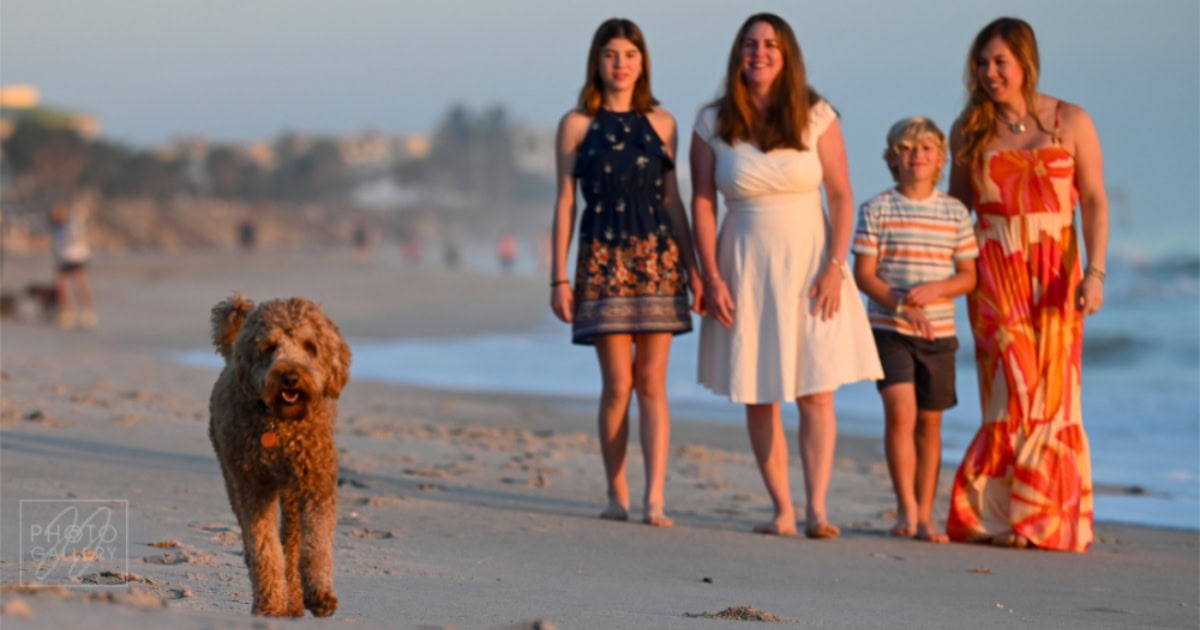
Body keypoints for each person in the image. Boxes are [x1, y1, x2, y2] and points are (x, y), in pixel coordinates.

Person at [691, 13, 882, 538]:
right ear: (738, 53)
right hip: (743, 262)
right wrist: (710, 276)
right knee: (759, 389)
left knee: (817, 387)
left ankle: (818, 508)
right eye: (750, 44)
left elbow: (841, 195)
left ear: (788, 53)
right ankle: (782, 509)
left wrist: (836, 267)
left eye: (771, 44)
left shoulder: (817, 115)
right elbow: (703, 202)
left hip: (813, 263)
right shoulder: (711, 121)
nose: (760, 52)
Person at [946, 17, 1109, 552]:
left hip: (1057, 275)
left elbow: (1095, 200)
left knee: (1056, 396)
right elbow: (956, 212)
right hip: (995, 275)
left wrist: (1096, 272)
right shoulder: (969, 130)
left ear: (1025, 62)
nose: (990, 73)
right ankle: (1001, 516)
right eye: (982, 63)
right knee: (1010, 394)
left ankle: (1040, 518)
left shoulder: (1072, 121)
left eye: (1000, 62)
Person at [549, 17, 701, 527]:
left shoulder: (662, 123)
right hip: (602, 259)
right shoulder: (576, 124)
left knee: (652, 384)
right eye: (611, 54)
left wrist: (695, 268)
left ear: (643, 62)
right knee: (618, 384)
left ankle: (654, 498)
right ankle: (617, 494)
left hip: (657, 259)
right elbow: (566, 202)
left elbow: (672, 200)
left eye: (629, 55)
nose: (620, 64)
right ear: (597, 60)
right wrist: (558, 277)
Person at [852, 117, 978, 543]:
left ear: (940, 158)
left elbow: (968, 276)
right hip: (890, 329)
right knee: (900, 414)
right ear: (892, 158)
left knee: (930, 423)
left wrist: (938, 289)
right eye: (906, 149)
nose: (916, 155)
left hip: (938, 335)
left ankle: (926, 516)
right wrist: (903, 303)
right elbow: (864, 275)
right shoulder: (877, 208)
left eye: (925, 148)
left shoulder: (955, 213)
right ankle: (905, 510)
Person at [50, 193, 97, 329]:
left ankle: (88, 312)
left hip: (77, 258)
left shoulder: (71, 224)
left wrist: (81, 211)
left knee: (80, 285)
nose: (55, 214)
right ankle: (67, 312)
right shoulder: (56, 228)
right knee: (60, 285)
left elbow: (79, 227)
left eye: (58, 212)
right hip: (63, 259)